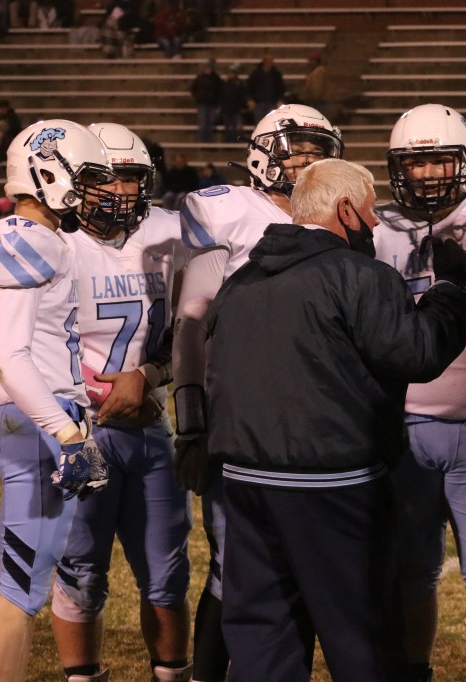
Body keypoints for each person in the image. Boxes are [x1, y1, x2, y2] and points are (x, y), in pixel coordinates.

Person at [206, 158, 466, 682]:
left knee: (264, 641)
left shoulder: (240, 280)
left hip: (245, 480)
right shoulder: (360, 276)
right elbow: (417, 354)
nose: (374, 223)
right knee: (362, 639)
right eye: (369, 211)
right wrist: (449, 292)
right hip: (332, 484)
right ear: (346, 209)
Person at [172, 103, 342, 682]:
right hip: (238, 414)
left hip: (312, 417)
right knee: (232, 562)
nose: (308, 165)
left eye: (319, 154)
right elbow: (191, 324)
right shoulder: (228, 211)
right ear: (262, 156)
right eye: (298, 153)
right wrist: (192, 423)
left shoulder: (331, 216)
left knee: (304, 564)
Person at [375, 103, 466, 682]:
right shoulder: (378, 227)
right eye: (418, 162)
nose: (430, 173)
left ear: (465, 161)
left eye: (441, 160)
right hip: (401, 425)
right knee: (411, 569)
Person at [51, 123, 192, 682]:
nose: (119, 190)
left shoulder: (166, 232)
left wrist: (149, 375)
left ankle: (171, 673)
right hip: (77, 428)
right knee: (81, 570)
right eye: (104, 178)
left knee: (168, 572)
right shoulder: (52, 244)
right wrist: (102, 390)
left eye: (130, 177)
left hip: (149, 425)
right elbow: (18, 344)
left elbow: (191, 326)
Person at [0, 119, 113, 682]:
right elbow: (12, 358)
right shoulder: (27, 240)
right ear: (49, 174)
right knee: (20, 592)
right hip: (40, 423)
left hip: (27, 419)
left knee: (25, 587)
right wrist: (67, 434)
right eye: (85, 178)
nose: (93, 191)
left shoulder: (8, 235)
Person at [247, 55, 285, 123]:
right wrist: (250, 99)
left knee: (270, 123)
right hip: (258, 103)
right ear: (264, 61)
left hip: (272, 103)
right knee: (259, 123)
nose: (269, 62)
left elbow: (281, 88)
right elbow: (249, 87)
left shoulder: (276, 74)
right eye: (268, 60)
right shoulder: (256, 73)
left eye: (271, 60)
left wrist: (280, 99)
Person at [191, 60, 222, 143]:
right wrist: (199, 98)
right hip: (202, 104)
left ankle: (208, 141)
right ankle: (203, 142)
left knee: (210, 124)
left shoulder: (216, 79)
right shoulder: (200, 78)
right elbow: (193, 89)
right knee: (203, 123)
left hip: (212, 104)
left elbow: (220, 90)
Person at [218, 63, 247, 143]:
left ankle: (234, 143)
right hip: (228, 110)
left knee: (236, 128)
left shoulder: (239, 84)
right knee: (228, 128)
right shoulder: (225, 84)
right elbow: (222, 96)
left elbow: (241, 96)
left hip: (235, 110)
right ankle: (229, 143)